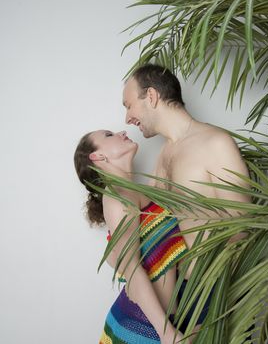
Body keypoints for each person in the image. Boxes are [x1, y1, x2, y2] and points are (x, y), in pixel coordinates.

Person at [122, 64, 251, 330]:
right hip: (183, 298)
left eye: (129, 105)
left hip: (218, 296)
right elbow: (146, 221)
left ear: (152, 96)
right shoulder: (163, 156)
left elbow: (243, 227)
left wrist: (218, 307)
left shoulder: (215, 142)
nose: (127, 118)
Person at [74, 129, 189, 344]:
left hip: (160, 325)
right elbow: (132, 270)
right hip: (140, 332)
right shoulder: (117, 197)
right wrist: (167, 334)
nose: (121, 131)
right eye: (108, 135)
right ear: (98, 157)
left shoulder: (138, 192)